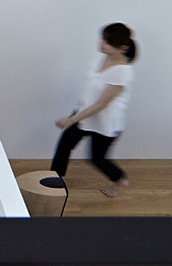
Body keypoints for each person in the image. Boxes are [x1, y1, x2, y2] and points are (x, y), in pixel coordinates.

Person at [50, 22, 138, 197]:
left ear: (122, 47)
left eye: (107, 42)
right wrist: (76, 111)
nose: (102, 44)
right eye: (103, 38)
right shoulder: (99, 57)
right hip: (84, 112)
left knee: (97, 159)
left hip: (105, 121)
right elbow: (90, 89)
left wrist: (70, 119)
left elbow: (101, 105)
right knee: (64, 146)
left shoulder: (122, 72)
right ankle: (54, 180)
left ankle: (120, 179)